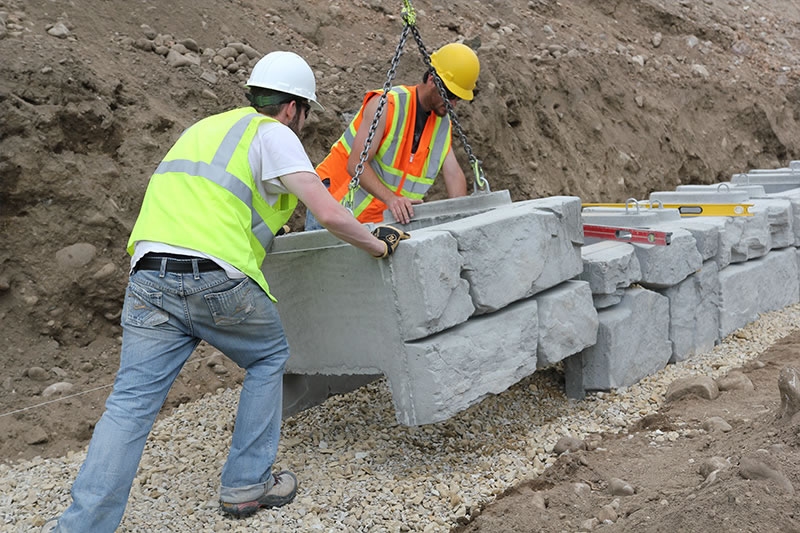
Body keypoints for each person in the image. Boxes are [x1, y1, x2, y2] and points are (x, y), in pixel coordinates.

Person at [43, 51, 408, 533]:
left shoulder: (204, 130)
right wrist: (376, 245)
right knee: (268, 357)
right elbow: (332, 213)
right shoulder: (274, 133)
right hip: (215, 276)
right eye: (306, 113)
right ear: (294, 107)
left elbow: (225, 206)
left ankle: (81, 526)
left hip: (149, 276)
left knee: (129, 405)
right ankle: (245, 486)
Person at [304, 42, 480, 230]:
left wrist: (462, 218)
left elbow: (453, 173)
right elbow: (356, 163)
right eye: (449, 95)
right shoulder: (386, 105)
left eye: (457, 98)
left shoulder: (441, 123)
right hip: (332, 206)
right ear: (431, 79)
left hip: (374, 223)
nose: (452, 104)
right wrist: (392, 199)